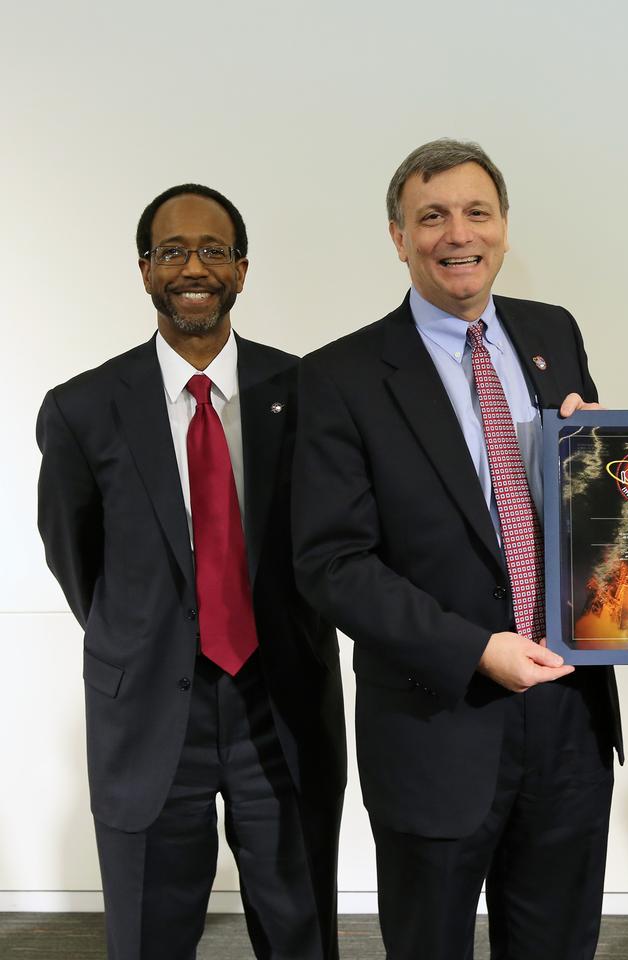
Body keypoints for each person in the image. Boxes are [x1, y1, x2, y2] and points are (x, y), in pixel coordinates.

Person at [291, 138, 622, 960]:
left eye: (477, 212)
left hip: (569, 718)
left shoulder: (554, 334)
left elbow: (595, 514)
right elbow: (332, 564)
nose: (456, 234)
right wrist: (476, 649)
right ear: (399, 238)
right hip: (436, 724)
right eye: (430, 217)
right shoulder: (342, 375)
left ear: (505, 226)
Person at [36, 184, 346, 960]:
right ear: (144, 271)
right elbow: (79, 561)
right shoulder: (81, 408)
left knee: (301, 926)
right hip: (147, 709)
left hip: (282, 702)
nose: (193, 267)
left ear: (242, 269)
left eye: (213, 250)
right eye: (172, 251)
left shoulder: (306, 392)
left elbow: (333, 540)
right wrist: (150, 634)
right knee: (147, 934)